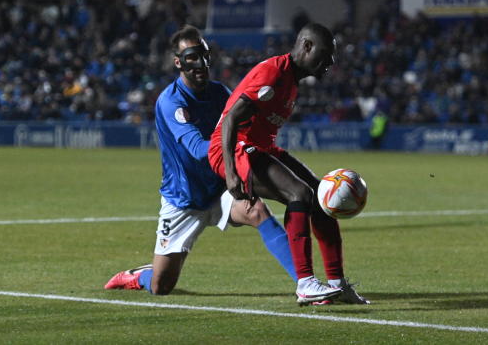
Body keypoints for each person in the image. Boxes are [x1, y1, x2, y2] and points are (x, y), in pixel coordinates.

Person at [104, 25, 296, 295]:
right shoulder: (170, 102)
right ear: (178, 62)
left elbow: (244, 129)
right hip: (184, 198)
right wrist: (234, 149)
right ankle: (138, 276)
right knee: (161, 287)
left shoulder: (220, 93)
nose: (201, 64)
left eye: (205, 55)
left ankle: (306, 283)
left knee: (257, 211)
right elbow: (196, 148)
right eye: (192, 57)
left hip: (219, 186)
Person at [208, 23, 369, 306]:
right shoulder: (273, 73)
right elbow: (231, 118)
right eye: (326, 54)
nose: (331, 62)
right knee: (300, 194)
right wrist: (231, 173)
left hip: (260, 148)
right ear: (306, 46)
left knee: (321, 195)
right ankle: (306, 284)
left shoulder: (291, 80)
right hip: (232, 151)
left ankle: (337, 284)